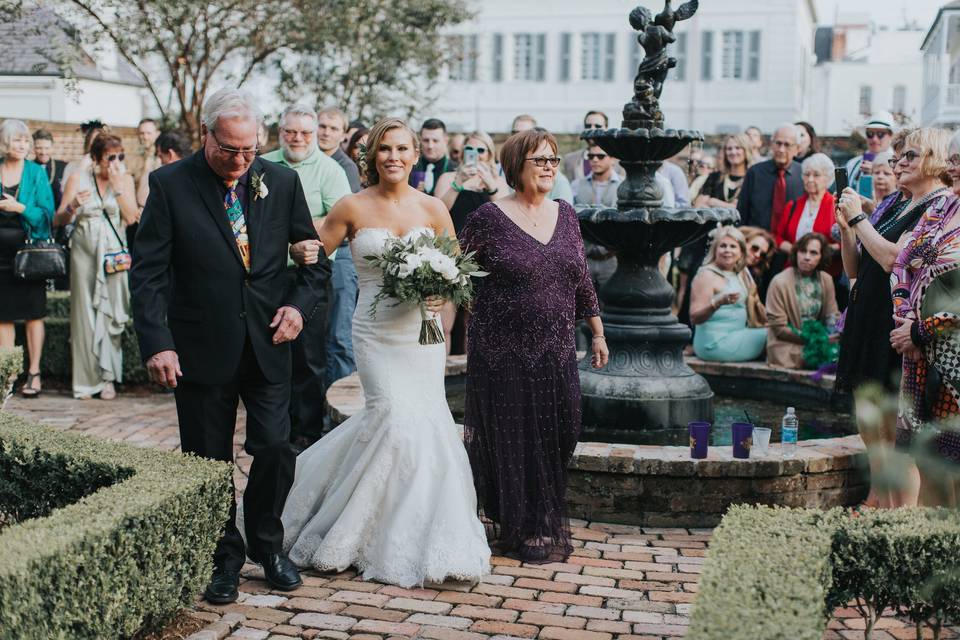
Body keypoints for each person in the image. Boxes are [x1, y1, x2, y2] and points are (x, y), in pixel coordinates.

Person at [131, 88, 329, 603]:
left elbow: (314, 266)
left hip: (269, 341)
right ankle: (223, 556)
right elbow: (149, 272)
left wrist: (297, 309)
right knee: (207, 458)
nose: (241, 161)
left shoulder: (281, 181)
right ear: (206, 135)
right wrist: (158, 343)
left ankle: (268, 543)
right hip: (199, 345)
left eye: (250, 151)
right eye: (230, 150)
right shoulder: (170, 184)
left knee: (277, 448)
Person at [279, 117, 491, 586]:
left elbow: (459, 273)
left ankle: (412, 531)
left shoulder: (435, 207)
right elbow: (316, 254)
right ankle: (345, 525)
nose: (393, 157)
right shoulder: (351, 206)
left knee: (427, 423)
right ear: (372, 157)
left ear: (416, 156)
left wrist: (444, 291)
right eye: (384, 150)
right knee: (392, 416)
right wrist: (300, 253)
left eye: (402, 149)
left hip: (423, 335)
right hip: (375, 333)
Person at [462, 128, 607, 563]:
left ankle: (534, 516)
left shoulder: (566, 214)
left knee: (562, 429)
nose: (548, 168)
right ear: (515, 166)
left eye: (552, 161)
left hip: (557, 347)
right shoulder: (487, 218)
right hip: (501, 349)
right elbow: (454, 275)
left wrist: (597, 332)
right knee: (511, 438)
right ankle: (526, 524)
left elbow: (581, 277)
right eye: (539, 161)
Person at [836, 127, 951, 509]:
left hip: (895, 326)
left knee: (894, 433)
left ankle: (898, 517)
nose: (899, 163)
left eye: (909, 157)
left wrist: (857, 220)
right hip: (865, 320)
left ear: (934, 159)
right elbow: (855, 268)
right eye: (899, 158)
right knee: (871, 430)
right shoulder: (896, 204)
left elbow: (891, 259)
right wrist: (844, 229)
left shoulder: (938, 205)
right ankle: (881, 507)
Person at [264, 104, 351, 448]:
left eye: (305, 133)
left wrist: (282, 231)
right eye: (290, 132)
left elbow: (340, 226)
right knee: (270, 353)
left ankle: (307, 432)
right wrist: (303, 229)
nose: (297, 138)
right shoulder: (265, 164)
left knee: (310, 358)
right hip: (267, 276)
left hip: (310, 277)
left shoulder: (329, 171)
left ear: (315, 135)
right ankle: (274, 429)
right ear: (280, 132)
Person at [888, 141, 960, 506]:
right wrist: (905, 320)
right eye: (954, 158)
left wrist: (921, 331)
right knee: (927, 458)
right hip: (918, 356)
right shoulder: (945, 205)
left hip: (954, 363)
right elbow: (902, 261)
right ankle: (934, 550)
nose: (954, 166)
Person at [55, 134, 137, 400]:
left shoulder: (124, 179)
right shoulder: (77, 179)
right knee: (84, 316)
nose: (116, 162)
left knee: (111, 314)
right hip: (84, 256)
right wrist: (73, 205)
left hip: (113, 258)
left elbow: (131, 217)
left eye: (120, 156)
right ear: (95, 158)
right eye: (109, 158)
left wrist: (118, 187)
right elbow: (59, 219)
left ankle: (108, 378)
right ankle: (85, 382)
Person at [0, 119, 54, 398]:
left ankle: (34, 373)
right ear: (5, 142)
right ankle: (8, 375)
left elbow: (47, 215)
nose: (22, 145)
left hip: (30, 253)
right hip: (0, 256)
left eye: (25, 141)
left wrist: (19, 207)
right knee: (3, 316)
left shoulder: (35, 173)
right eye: (16, 140)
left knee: (34, 313)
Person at [677, 135, 753, 327]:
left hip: (736, 242)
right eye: (729, 149)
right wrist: (727, 206)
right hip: (708, 241)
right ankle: (689, 332)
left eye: (737, 148)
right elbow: (700, 203)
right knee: (696, 279)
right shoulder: (716, 177)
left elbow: (740, 208)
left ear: (745, 152)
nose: (733, 152)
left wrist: (714, 202)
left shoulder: (750, 179)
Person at [316, 106, 362, 389]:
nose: (326, 132)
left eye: (333, 128)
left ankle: (340, 405)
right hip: (314, 255)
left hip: (342, 256)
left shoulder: (346, 169)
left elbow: (341, 220)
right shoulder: (308, 163)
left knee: (339, 336)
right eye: (322, 126)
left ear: (343, 135)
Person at [690, 226, 766, 362]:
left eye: (733, 246)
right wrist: (717, 303)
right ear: (715, 250)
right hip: (714, 344)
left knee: (778, 332)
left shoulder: (739, 273)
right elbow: (695, 318)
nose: (728, 251)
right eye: (723, 246)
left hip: (738, 335)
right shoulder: (706, 275)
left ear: (741, 252)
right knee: (773, 335)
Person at [765, 232, 838, 369]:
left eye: (813, 253)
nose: (807, 257)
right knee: (814, 359)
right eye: (803, 251)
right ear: (796, 253)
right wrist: (818, 340)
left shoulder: (826, 279)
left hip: (820, 340)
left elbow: (831, 314)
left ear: (822, 257)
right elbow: (779, 329)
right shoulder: (780, 281)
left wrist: (834, 333)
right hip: (787, 344)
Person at [737, 124, 804, 234]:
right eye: (778, 143)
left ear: (797, 149)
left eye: (787, 145)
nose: (781, 149)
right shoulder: (755, 172)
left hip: (791, 244)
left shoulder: (804, 175)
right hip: (756, 241)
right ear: (771, 145)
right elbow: (742, 211)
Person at [775, 153, 837, 256]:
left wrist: (822, 252)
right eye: (807, 174)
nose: (810, 179)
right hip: (794, 266)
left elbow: (846, 241)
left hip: (827, 268)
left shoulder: (836, 205)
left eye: (816, 175)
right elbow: (778, 238)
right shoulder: (792, 206)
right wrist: (795, 251)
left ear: (828, 178)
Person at [846, 111, 895, 193]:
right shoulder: (852, 164)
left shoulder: (897, 164)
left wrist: (875, 174)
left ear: (890, 136)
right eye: (870, 134)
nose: (874, 139)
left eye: (880, 134)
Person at [410, 118, 457, 196]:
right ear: (420, 140)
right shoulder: (410, 167)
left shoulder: (456, 170)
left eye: (435, 141)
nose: (430, 146)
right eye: (426, 140)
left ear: (445, 141)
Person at [562, 110, 609, 183]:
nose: (592, 129)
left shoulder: (618, 161)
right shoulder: (570, 160)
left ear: (606, 129)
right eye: (588, 126)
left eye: (597, 126)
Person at [31, 129, 66, 209]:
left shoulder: (63, 167)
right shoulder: (27, 168)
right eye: (39, 148)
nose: (43, 152)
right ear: (33, 148)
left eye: (47, 148)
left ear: (52, 147)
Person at [741, 226, 776, 301]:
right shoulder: (723, 264)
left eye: (762, 254)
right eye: (755, 248)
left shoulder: (754, 279)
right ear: (744, 242)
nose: (757, 255)